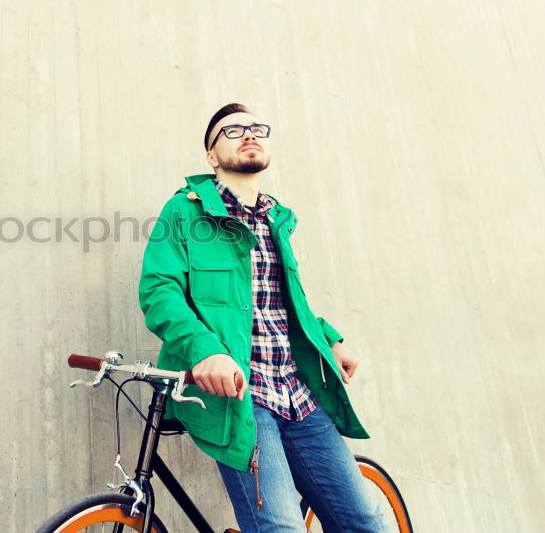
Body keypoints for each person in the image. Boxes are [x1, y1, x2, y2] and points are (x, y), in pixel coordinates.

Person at [138, 103, 392, 533]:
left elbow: (287, 302)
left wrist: (329, 338)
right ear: (211, 156)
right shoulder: (184, 210)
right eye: (232, 130)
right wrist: (206, 352)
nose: (249, 134)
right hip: (243, 399)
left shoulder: (277, 219)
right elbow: (159, 292)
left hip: (298, 394)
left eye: (256, 128)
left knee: (366, 524)